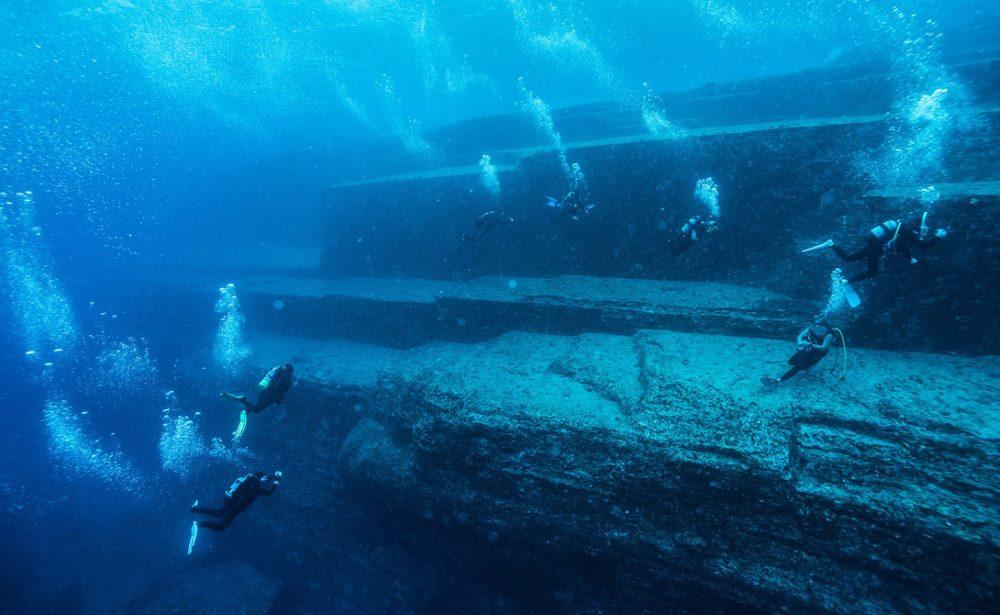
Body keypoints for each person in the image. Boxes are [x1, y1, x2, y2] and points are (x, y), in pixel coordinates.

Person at [802, 214, 946, 283]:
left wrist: (909, 258)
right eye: (924, 228)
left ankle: (831, 245)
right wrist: (938, 236)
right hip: (877, 248)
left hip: (874, 245)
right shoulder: (908, 232)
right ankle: (846, 281)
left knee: (848, 259)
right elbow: (924, 246)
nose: (924, 231)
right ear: (919, 226)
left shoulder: (902, 228)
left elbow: (901, 245)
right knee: (871, 272)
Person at [191, 471, 282, 531]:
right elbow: (268, 492)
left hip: (231, 502)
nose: (265, 481)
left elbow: (265, 477)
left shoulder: (248, 481)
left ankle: (194, 509)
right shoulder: (255, 488)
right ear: (260, 478)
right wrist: (275, 485)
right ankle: (198, 524)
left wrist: (274, 475)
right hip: (235, 508)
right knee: (221, 527)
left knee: (218, 513)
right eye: (264, 479)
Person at [761, 323, 835, 385]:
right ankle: (805, 366)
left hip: (817, 353)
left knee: (798, 367)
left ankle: (777, 380)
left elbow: (823, 347)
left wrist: (810, 344)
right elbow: (800, 336)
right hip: (807, 349)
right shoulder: (812, 326)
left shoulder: (829, 335)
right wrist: (800, 343)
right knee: (790, 362)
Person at [223, 364, 293, 414]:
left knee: (258, 405)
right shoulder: (288, 377)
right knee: (258, 409)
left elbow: (269, 377)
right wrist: (279, 398)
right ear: (290, 371)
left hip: (265, 388)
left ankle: (248, 409)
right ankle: (242, 400)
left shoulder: (277, 371)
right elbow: (283, 390)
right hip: (272, 393)